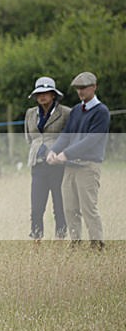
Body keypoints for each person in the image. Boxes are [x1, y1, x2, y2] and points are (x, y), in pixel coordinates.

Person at [46, 71, 110, 250]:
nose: (80, 92)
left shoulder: (101, 112)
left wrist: (66, 154)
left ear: (94, 87)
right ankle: (75, 243)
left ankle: (97, 245)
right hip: (70, 167)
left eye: (83, 88)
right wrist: (54, 150)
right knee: (70, 208)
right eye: (77, 89)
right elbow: (66, 135)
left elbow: (91, 140)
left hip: (88, 166)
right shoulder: (75, 111)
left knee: (88, 208)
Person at [24, 76, 71, 242]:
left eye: (46, 93)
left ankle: (60, 238)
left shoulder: (66, 113)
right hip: (38, 165)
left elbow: (69, 138)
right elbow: (30, 138)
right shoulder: (30, 113)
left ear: (53, 94)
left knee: (59, 205)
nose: (42, 96)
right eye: (39, 93)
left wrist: (57, 153)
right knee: (37, 207)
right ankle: (36, 238)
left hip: (58, 165)